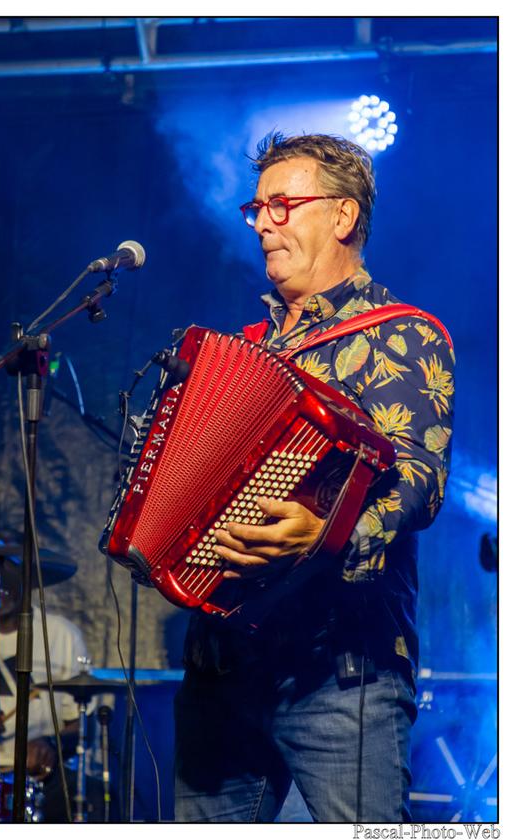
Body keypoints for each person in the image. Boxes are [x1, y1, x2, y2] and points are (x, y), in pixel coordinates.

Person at [174, 132, 455, 823]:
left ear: (343, 215)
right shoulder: (243, 351)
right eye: (257, 208)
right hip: (223, 670)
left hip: (340, 670)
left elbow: (420, 480)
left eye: (282, 205)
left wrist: (325, 533)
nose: (262, 223)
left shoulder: (404, 335)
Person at [0, 546, 98, 822]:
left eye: (9, 579)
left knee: (95, 797)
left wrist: (51, 743)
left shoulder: (62, 635)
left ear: (28, 582)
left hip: (40, 776)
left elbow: (85, 725)